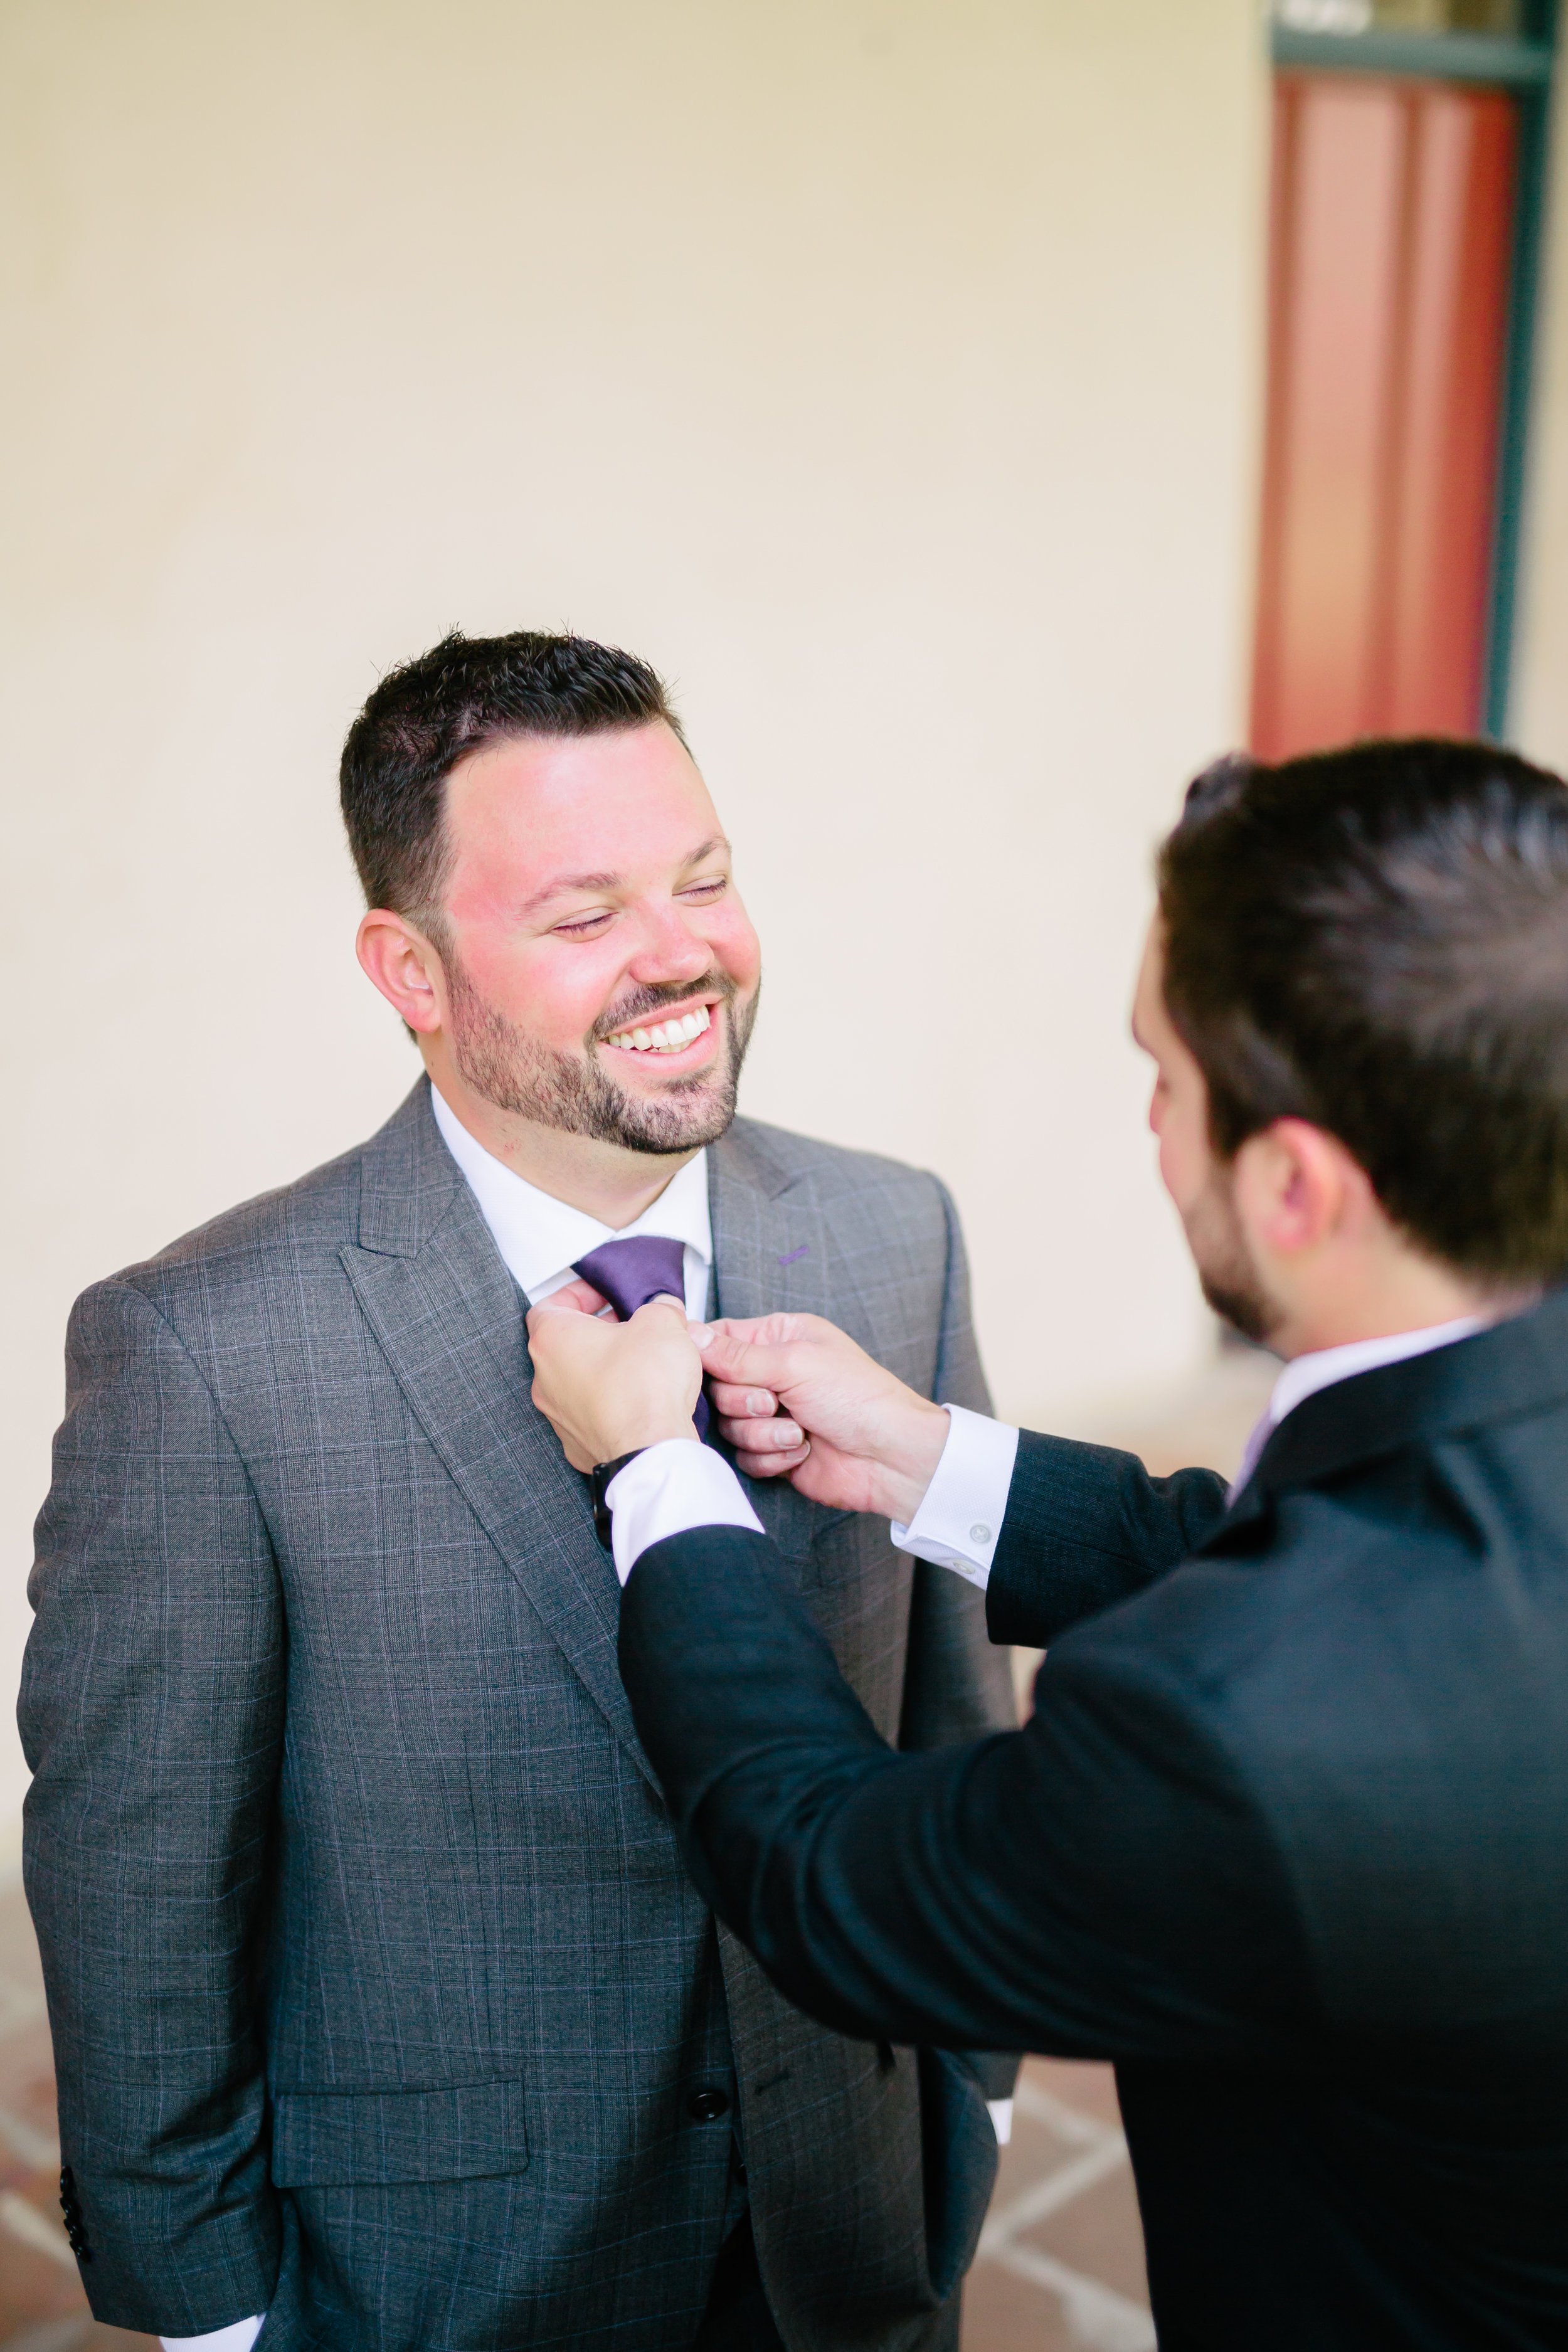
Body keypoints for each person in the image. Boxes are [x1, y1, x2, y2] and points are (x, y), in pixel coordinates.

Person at [19, 630, 1015, 2352]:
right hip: (442, 2278)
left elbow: (948, 1717)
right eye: (584, 913)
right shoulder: (201, 1353)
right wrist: (211, 2311)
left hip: (850, 2242)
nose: (681, 950)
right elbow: (138, 1883)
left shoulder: (890, 1230)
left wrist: (972, 2095)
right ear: (407, 967)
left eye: (704, 877)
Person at [527, 739, 1568, 2350]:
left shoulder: (1235, 1733)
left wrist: (657, 1470)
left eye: (1166, 1079)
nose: (1146, 1125)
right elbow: (1348, 1580)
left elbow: (826, 1874)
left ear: (1292, 1184)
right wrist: (937, 1461)